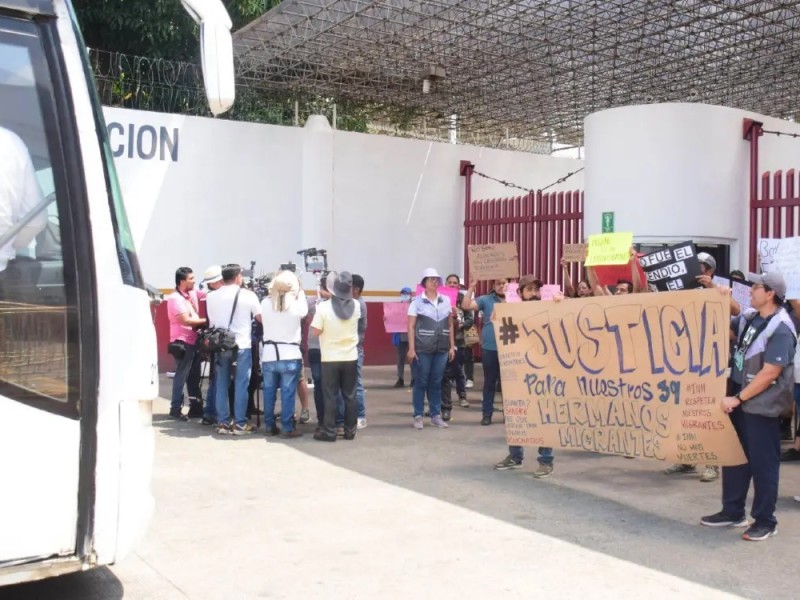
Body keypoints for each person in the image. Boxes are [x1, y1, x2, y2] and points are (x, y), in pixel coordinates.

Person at [701, 272, 795, 541]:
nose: (751, 290)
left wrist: (738, 398)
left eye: (756, 287)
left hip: (760, 406)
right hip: (740, 401)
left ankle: (765, 520)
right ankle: (732, 511)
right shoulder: (752, 318)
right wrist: (720, 297)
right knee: (734, 457)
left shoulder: (781, 327)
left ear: (770, 294)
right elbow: (727, 321)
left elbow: (770, 372)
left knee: (763, 464)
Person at [664, 251, 721, 482]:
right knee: (684, 411)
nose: (698, 270)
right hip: (685, 358)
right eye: (694, 265)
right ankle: (687, 458)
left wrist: (712, 287)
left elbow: (735, 310)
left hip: (709, 360)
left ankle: (713, 462)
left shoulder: (718, 288)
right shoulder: (682, 289)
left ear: (710, 271)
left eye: (703, 267)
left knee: (709, 413)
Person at [494, 275, 555, 478]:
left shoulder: (550, 310)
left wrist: (562, 305)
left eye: (536, 290)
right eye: (529, 290)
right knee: (515, 414)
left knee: (544, 416)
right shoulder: (509, 313)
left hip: (543, 375)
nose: (534, 294)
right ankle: (515, 456)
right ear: (520, 293)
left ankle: (546, 460)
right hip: (518, 374)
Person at [206, 264, 262, 435]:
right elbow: (260, 318)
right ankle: (240, 424)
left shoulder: (211, 296)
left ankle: (222, 423)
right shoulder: (248, 295)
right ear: (238, 277)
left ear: (223, 278)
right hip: (241, 345)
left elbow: (212, 320)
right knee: (241, 385)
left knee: (221, 384)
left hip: (220, 345)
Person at [310, 271, 361, 442]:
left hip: (330, 357)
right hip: (350, 356)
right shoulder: (357, 306)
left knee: (330, 395)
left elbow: (315, 331)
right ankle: (350, 430)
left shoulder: (323, 308)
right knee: (350, 395)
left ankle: (330, 431)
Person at [260, 270, 308, 439]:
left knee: (269, 391)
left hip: (269, 354)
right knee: (288, 393)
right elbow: (304, 311)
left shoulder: (265, 303)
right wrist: (300, 291)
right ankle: (287, 428)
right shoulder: (297, 306)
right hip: (290, 354)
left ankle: (269, 425)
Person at [407, 268, 454, 429]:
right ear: (424, 283)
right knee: (421, 381)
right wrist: (412, 349)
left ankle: (435, 415)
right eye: (430, 279)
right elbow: (411, 326)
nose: (434, 281)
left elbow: (450, 324)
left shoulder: (446, 300)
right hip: (422, 348)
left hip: (441, 348)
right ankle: (418, 415)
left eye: (436, 279)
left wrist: (452, 346)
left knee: (436, 382)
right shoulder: (416, 302)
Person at [462, 277, 509, 425]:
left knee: (510, 385)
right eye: (498, 283)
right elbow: (466, 305)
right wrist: (471, 288)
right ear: (494, 285)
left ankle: (511, 415)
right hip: (490, 347)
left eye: (504, 283)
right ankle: (487, 414)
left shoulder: (516, 299)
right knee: (490, 382)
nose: (501, 286)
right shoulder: (486, 299)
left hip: (511, 349)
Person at [166, 267, 206, 421]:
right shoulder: (175, 299)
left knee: (193, 377)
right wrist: (206, 321)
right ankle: (175, 408)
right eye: (191, 278)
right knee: (181, 376)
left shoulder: (192, 293)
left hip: (193, 341)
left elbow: (210, 294)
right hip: (182, 342)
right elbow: (185, 320)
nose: (194, 281)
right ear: (182, 281)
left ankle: (195, 409)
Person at [442, 273, 471, 419]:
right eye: (450, 282)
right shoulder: (440, 298)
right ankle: (442, 403)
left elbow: (470, 319)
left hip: (459, 341)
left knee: (458, 370)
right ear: (445, 284)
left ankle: (462, 395)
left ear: (458, 286)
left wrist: (462, 324)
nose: (452, 285)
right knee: (443, 374)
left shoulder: (462, 299)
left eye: (455, 283)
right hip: (442, 341)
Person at [198, 265, 223, 426]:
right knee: (218, 379)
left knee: (215, 378)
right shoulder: (217, 297)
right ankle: (213, 412)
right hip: (220, 340)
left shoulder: (207, 297)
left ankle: (210, 412)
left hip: (211, 339)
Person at [352, 274, 368, 429]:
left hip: (355, 349)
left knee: (356, 384)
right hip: (351, 349)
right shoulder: (353, 302)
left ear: (356, 289)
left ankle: (361, 416)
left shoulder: (359, 305)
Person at [392, 287, 413, 387]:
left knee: (412, 358)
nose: (404, 295)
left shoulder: (414, 306)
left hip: (411, 335)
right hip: (400, 335)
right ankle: (400, 378)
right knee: (400, 358)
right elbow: (392, 319)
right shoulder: (397, 307)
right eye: (403, 293)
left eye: (406, 293)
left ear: (410, 294)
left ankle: (414, 379)